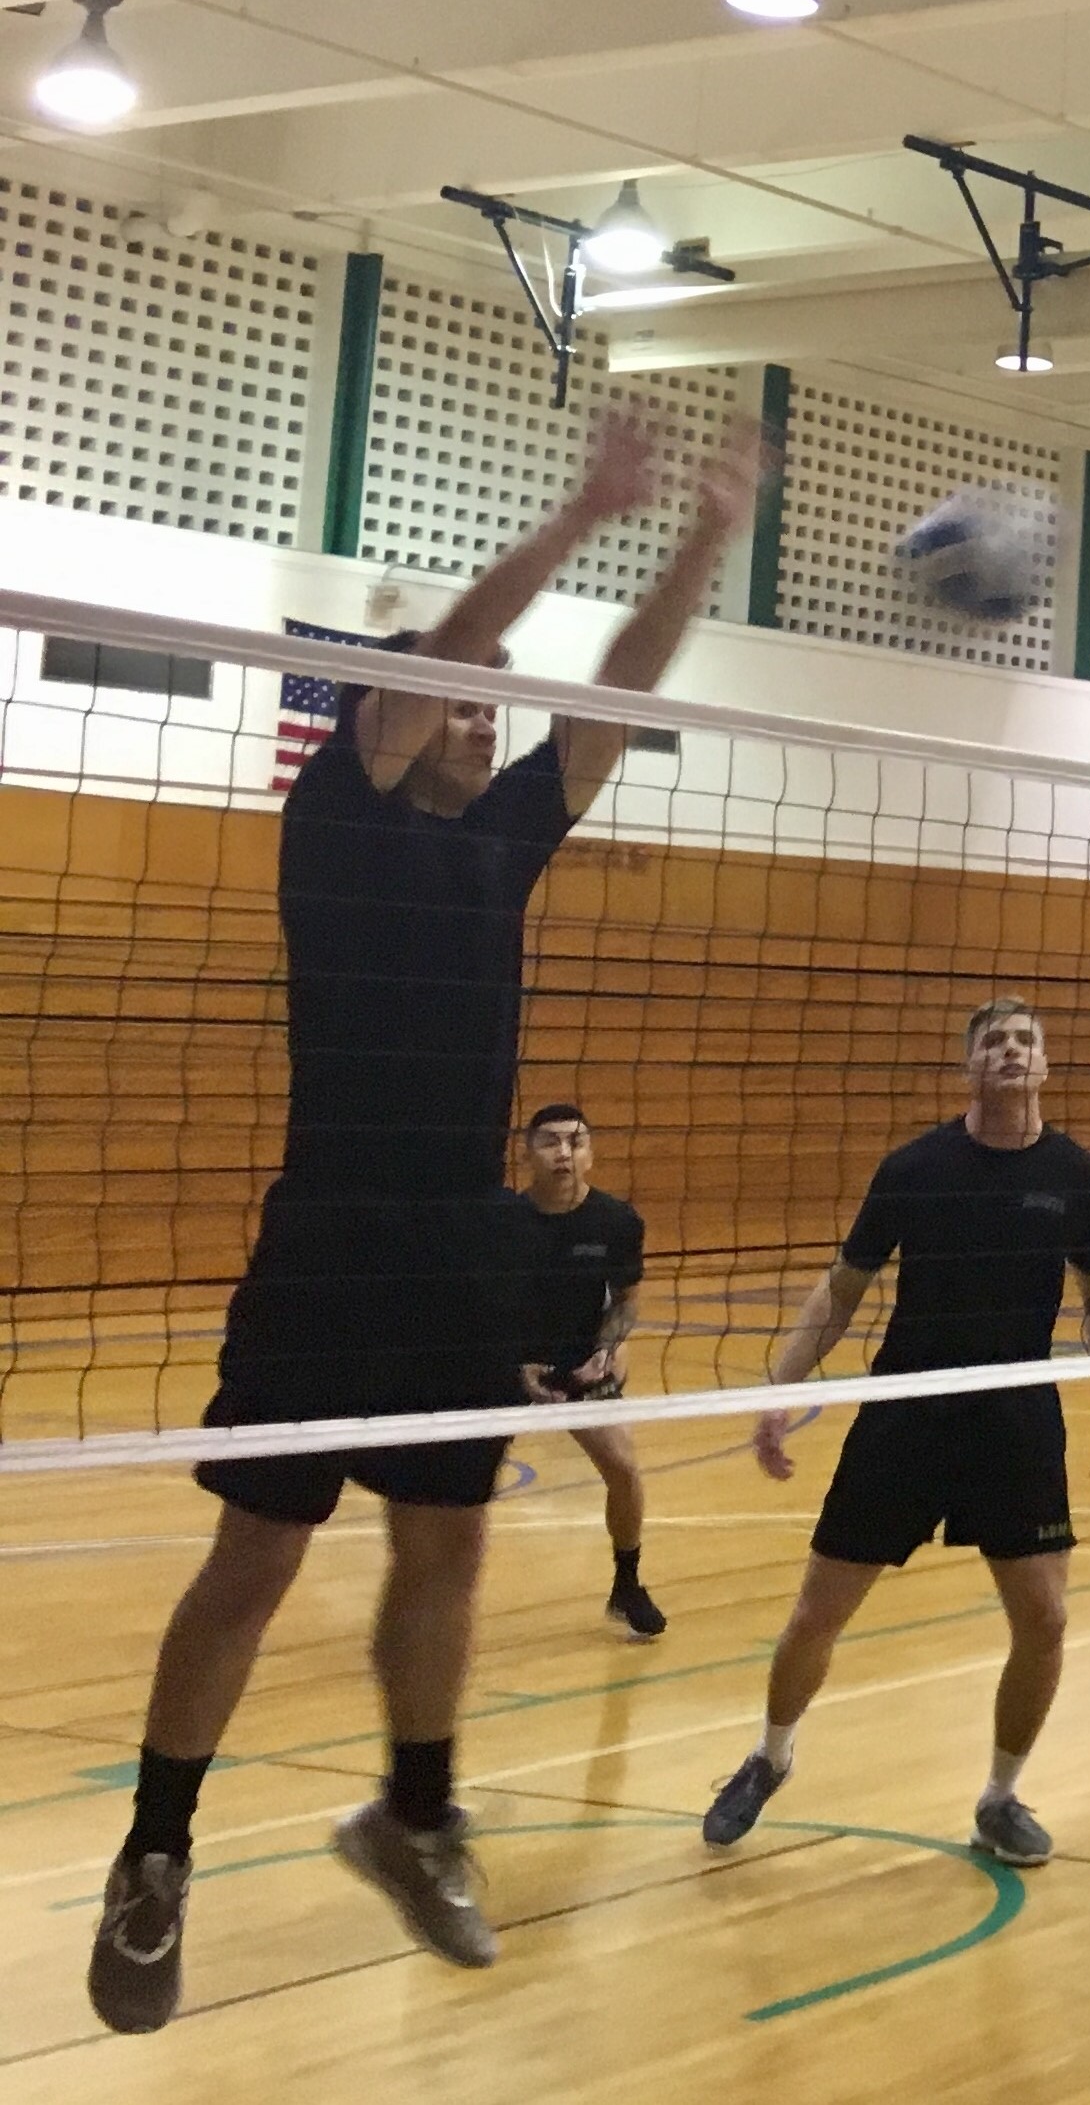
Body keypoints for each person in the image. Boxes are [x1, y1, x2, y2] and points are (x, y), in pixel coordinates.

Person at [86, 421, 760, 2035]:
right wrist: (583, 506)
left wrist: (698, 540)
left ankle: (414, 1808)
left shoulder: (506, 843)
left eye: (490, 706)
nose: (484, 706)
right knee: (257, 1548)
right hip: (329, 1235)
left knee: (446, 1532)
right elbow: (459, 646)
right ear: (389, 720)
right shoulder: (340, 822)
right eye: (457, 695)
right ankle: (155, 1849)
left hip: (464, 1240)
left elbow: (615, 696)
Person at [699, 997, 1090, 1870]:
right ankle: (770, 1756)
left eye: (1026, 1041)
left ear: (1045, 1064)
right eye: (993, 1042)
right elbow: (841, 1289)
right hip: (906, 1408)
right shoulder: (915, 1167)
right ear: (969, 1065)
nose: (1011, 1053)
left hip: (1016, 1413)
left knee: (1045, 1618)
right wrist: (779, 1390)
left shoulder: (1081, 1176)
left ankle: (1000, 1798)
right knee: (820, 1609)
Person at [509, 1102, 662, 1639]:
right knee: (462, 1485)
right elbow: (476, 1307)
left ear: (590, 1154)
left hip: (578, 1369)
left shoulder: (617, 1222)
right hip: (505, 1368)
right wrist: (513, 1365)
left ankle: (627, 1584)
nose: (564, 1152)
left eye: (576, 1141)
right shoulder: (502, 1220)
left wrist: (611, 1347)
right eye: (550, 1141)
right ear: (526, 1152)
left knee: (623, 1469)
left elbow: (625, 1301)